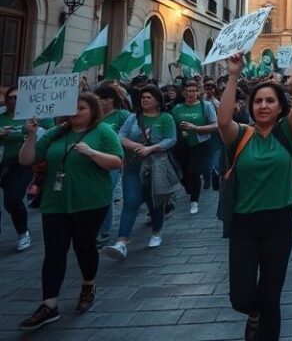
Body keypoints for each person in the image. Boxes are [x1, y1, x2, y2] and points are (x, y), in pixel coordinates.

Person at [217, 51, 292, 341]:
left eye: (270, 101)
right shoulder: (239, 135)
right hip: (243, 224)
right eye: (258, 101)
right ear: (250, 106)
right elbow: (222, 119)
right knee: (241, 297)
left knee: (271, 296)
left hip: (279, 223)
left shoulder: (286, 135)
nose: (263, 105)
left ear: (280, 107)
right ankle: (252, 312)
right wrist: (232, 75)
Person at [17, 93, 123, 330]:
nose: (76, 111)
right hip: (55, 202)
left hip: (90, 202)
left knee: (84, 247)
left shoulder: (103, 131)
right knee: (54, 252)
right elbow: (27, 159)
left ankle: (88, 283)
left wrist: (92, 153)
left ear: (92, 110)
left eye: (81, 107)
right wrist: (31, 134)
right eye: (72, 107)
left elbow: (117, 161)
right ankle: (49, 305)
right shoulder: (57, 133)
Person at [104, 85, 176, 260]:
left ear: (158, 100)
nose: (144, 100)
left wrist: (152, 148)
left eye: (149, 97)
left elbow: (171, 139)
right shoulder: (133, 118)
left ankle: (157, 232)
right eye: (143, 97)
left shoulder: (165, 118)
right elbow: (120, 136)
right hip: (133, 166)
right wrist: (136, 146)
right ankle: (121, 242)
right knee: (131, 202)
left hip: (156, 166)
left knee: (154, 202)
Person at [0, 86, 53, 252]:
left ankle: (23, 233)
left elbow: (49, 132)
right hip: (3, 162)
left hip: (23, 165)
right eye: (10, 98)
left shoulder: (34, 117)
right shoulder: (1, 118)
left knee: (12, 200)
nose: (13, 101)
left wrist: (32, 129)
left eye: (17, 98)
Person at [171, 81, 218, 215]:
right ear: (184, 93)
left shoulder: (206, 106)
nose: (191, 93)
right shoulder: (177, 108)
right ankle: (190, 189)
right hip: (181, 145)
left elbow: (215, 126)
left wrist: (195, 128)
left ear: (198, 92)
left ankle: (194, 201)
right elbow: (170, 125)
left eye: (193, 91)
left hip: (200, 144)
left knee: (193, 171)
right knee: (183, 174)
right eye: (188, 91)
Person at [93, 85, 131, 246]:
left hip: (114, 160)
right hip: (93, 159)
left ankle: (104, 231)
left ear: (111, 99)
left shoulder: (122, 115)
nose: (99, 102)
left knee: (106, 194)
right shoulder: (94, 117)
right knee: (95, 194)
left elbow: (131, 133)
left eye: (101, 98)